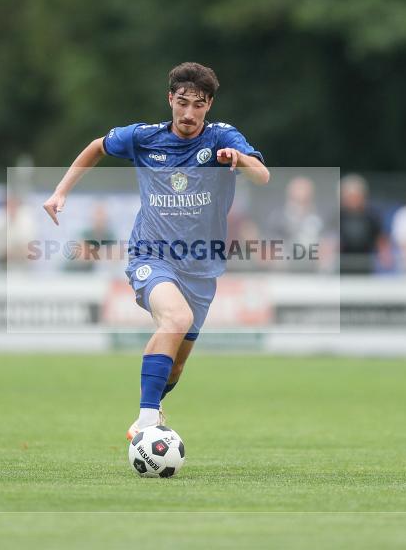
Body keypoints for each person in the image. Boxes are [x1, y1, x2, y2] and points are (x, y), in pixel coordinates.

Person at [42, 62, 269, 440]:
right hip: (152, 257)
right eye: (182, 102)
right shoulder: (144, 137)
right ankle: (147, 421)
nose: (188, 113)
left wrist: (239, 159)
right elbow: (97, 147)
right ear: (170, 99)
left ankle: (152, 408)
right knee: (175, 320)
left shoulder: (221, 138)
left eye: (198, 105)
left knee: (176, 368)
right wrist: (61, 191)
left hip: (201, 268)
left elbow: (262, 176)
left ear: (209, 104)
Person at [338, 174, 391, 273]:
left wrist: (385, 254)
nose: (353, 200)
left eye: (356, 196)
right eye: (349, 196)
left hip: (366, 263)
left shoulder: (372, 216)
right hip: (342, 263)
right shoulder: (337, 216)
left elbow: (381, 239)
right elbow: (329, 240)